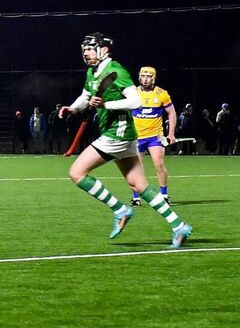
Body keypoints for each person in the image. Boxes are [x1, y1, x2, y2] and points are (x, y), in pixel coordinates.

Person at [58, 33, 192, 248]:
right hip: (124, 133)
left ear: (104, 50)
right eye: (84, 50)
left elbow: (135, 101)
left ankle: (120, 210)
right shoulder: (93, 71)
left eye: (91, 49)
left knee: (76, 173)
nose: (86, 53)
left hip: (116, 134)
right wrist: (73, 108)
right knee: (138, 184)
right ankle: (179, 226)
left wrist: (105, 106)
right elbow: (86, 95)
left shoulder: (116, 71)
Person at [129, 66, 177, 206]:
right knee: (136, 167)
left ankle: (164, 195)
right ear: (139, 77)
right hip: (136, 136)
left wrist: (171, 133)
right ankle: (136, 197)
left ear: (153, 78)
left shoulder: (161, 94)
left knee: (159, 164)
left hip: (155, 136)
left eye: (148, 76)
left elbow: (172, 113)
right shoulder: (133, 93)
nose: (145, 79)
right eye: (143, 76)